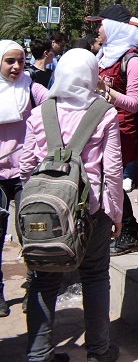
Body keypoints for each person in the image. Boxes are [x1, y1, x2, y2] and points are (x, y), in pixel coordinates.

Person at [20, 48, 123, 362]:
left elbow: (25, 166)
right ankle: (98, 351)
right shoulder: (104, 112)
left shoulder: (40, 112)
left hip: (46, 213)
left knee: (43, 278)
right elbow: (113, 170)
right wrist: (115, 213)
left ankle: (39, 354)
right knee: (95, 276)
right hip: (91, 210)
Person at [86, 5, 138, 255]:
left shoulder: (131, 59)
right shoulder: (104, 55)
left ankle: (129, 233)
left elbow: (134, 104)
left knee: (113, 182)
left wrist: (105, 90)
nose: (97, 29)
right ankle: (113, 229)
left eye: (100, 24)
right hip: (98, 127)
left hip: (121, 131)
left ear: (113, 27)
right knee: (103, 180)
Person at [0, 40, 48, 317]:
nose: (17, 66)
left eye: (21, 60)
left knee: (31, 232)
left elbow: (55, 105)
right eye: (10, 61)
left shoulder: (31, 88)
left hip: (25, 173)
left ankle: (33, 287)